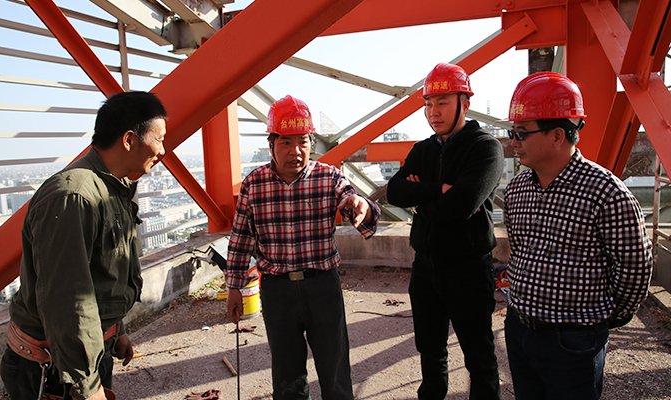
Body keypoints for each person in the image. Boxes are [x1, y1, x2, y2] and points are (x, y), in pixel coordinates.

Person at [0, 91, 167, 400]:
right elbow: (68, 301)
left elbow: (102, 276)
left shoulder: (113, 188)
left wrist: (116, 331)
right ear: (129, 140)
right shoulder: (73, 197)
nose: (162, 150)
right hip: (55, 368)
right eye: (158, 139)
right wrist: (87, 387)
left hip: (87, 355)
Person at [503, 72, 653, 400]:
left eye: (521, 133)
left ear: (558, 135)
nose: (513, 142)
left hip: (573, 341)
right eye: (513, 132)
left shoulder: (606, 193)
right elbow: (519, 248)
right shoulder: (516, 189)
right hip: (519, 329)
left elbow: (634, 268)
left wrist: (597, 320)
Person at [225, 95, 380, 400]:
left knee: (335, 369)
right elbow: (240, 239)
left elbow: (357, 210)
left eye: (303, 142)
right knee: (287, 375)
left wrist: (362, 206)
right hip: (277, 290)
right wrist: (234, 288)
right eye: (286, 142)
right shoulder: (254, 184)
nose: (295, 151)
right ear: (272, 144)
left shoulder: (329, 177)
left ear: (311, 144)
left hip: (322, 286)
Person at [386, 62, 504, 400]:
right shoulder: (423, 149)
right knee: (430, 352)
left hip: (468, 268)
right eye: (428, 104)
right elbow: (395, 192)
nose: (433, 112)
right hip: (425, 267)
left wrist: (420, 199)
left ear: (464, 104)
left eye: (442, 102)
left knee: (479, 357)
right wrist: (438, 190)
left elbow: (461, 204)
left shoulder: (485, 147)